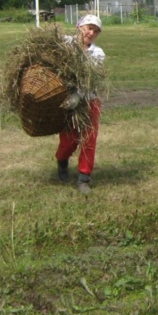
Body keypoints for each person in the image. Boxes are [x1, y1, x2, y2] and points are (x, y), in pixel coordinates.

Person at [55, 14, 105, 193]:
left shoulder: (97, 53)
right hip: (66, 100)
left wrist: (79, 95)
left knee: (89, 139)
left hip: (89, 100)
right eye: (89, 28)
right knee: (69, 140)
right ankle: (62, 160)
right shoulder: (65, 44)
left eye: (96, 31)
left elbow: (90, 79)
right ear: (80, 26)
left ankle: (84, 178)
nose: (91, 33)